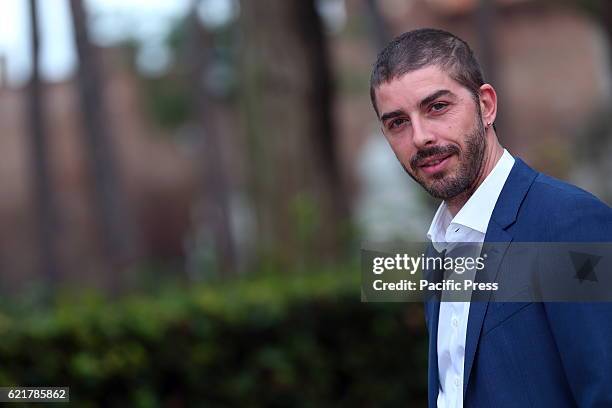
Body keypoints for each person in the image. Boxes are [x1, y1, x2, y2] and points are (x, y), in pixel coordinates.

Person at [369, 28, 612, 407]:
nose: (420, 137)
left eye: (437, 107)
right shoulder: (439, 248)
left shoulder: (568, 223)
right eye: (397, 122)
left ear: (485, 105)